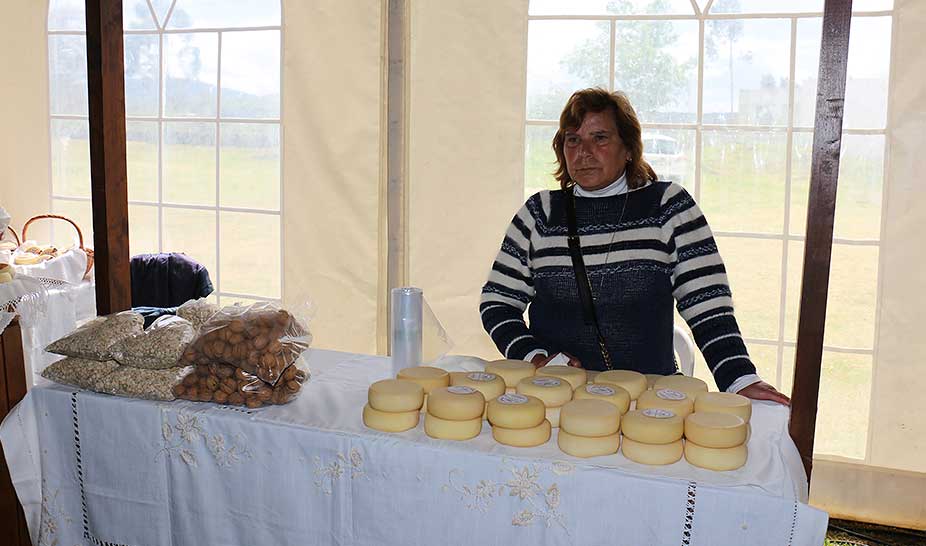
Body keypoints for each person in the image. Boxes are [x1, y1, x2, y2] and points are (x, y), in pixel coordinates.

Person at [479, 88, 789, 405]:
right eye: (572, 139)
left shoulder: (669, 208)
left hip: (650, 402)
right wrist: (533, 355)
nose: (583, 152)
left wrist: (739, 378)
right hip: (557, 399)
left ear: (628, 147)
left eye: (599, 138)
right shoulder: (539, 214)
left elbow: (708, 307)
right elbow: (497, 302)